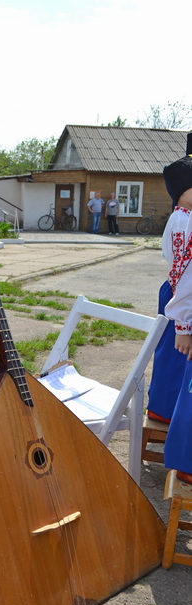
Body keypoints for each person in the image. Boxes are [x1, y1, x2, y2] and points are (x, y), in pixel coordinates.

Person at [157, 136, 192, 484]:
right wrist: (184, 320)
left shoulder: (179, 217)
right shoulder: (188, 219)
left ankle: (161, 409)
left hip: (176, 291)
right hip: (183, 295)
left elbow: (172, 260)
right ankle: (185, 455)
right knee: (183, 367)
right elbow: (185, 267)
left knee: (171, 360)